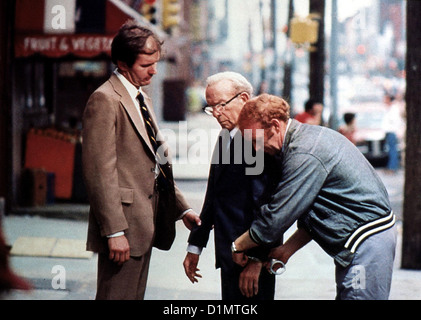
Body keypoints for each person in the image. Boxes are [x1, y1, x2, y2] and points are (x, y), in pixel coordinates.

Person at [232, 94, 397, 300]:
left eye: (255, 140)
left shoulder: (304, 153)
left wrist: (238, 245)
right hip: (366, 238)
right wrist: (286, 250)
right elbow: (323, 210)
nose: (256, 149)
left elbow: (276, 218)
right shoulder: (306, 139)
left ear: (275, 125)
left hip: (366, 240)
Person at [82, 21, 200, 300]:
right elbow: (100, 173)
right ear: (123, 64)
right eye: (146, 65)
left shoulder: (141, 98)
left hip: (145, 223)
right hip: (123, 227)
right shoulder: (105, 100)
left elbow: (156, 165)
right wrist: (113, 232)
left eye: (156, 63)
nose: (154, 71)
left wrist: (181, 209)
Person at [183, 72, 279, 300]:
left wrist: (258, 260)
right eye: (211, 107)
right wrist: (195, 244)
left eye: (221, 105)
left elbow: (269, 208)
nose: (216, 113)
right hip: (229, 253)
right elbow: (214, 195)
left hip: (251, 259)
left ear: (244, 98)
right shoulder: (226, 136)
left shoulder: (259, 141)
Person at [382, 93, 403, 173]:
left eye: (385, 99)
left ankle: (393, 167)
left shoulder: (394, 109)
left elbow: (395, 122)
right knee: (391, 150)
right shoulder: (389, 108)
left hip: (392, 132)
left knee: (393, 150)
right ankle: (391, 166)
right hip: (389, 132)